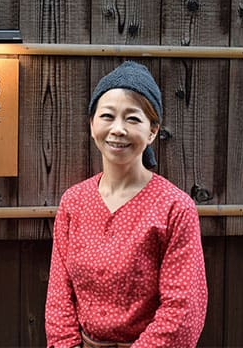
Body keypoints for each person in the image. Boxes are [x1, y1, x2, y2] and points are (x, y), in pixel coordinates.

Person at [45, 61, 207, 348]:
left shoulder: (175, 208)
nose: (118, 129)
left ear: (153, 131)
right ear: (92, 124)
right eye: (107, 116)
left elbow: (182, 312)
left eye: (132, 119)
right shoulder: (73, 202)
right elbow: (59, 295)